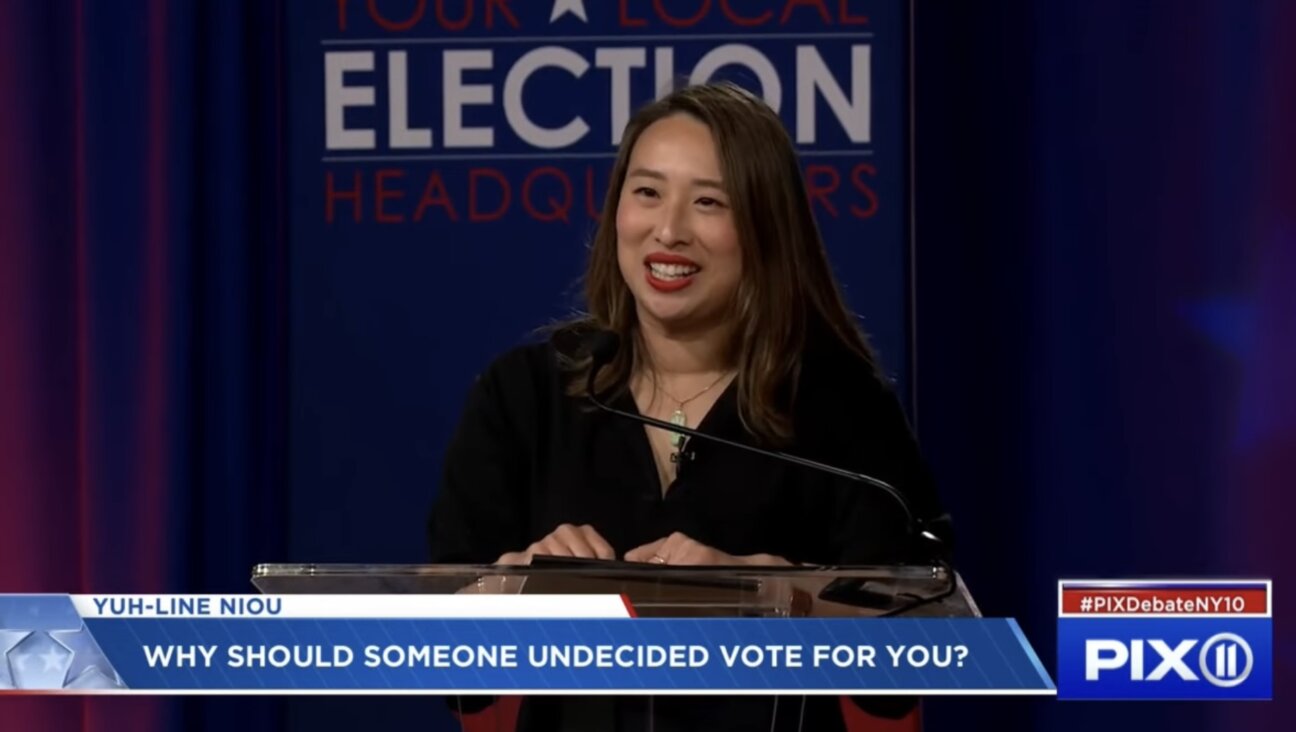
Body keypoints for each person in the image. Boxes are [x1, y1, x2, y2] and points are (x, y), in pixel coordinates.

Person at [428, 82, 949, 732]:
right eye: (646, 192)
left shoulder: (842, 410)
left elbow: (913, 662)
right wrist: (510, 587)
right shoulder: (524, 396)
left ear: (765, 228)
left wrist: (775, 592)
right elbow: (452, 673)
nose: (668, 230)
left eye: (709, 202)